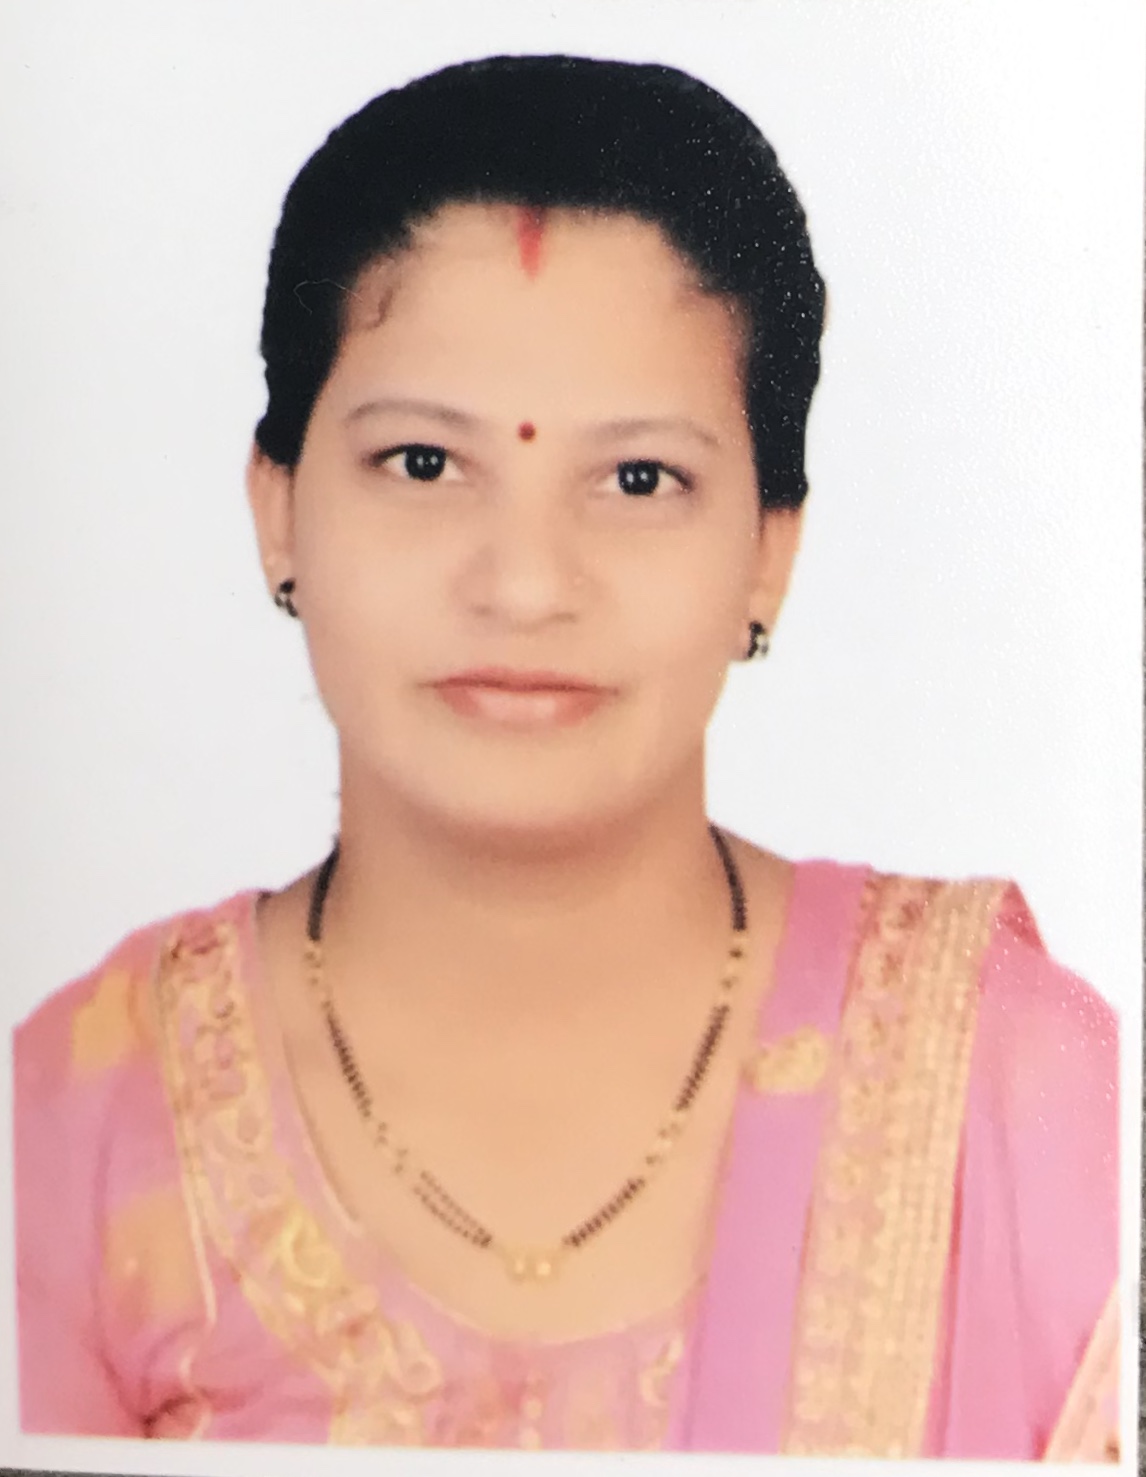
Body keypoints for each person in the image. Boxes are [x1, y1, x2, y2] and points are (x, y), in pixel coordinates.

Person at [12, 53, 1119, 1458]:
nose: (526, 584)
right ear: (277, 510)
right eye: (424, 464)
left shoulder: (1022, 1096)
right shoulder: (79, 1127)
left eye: (638, 478)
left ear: (768, 550)